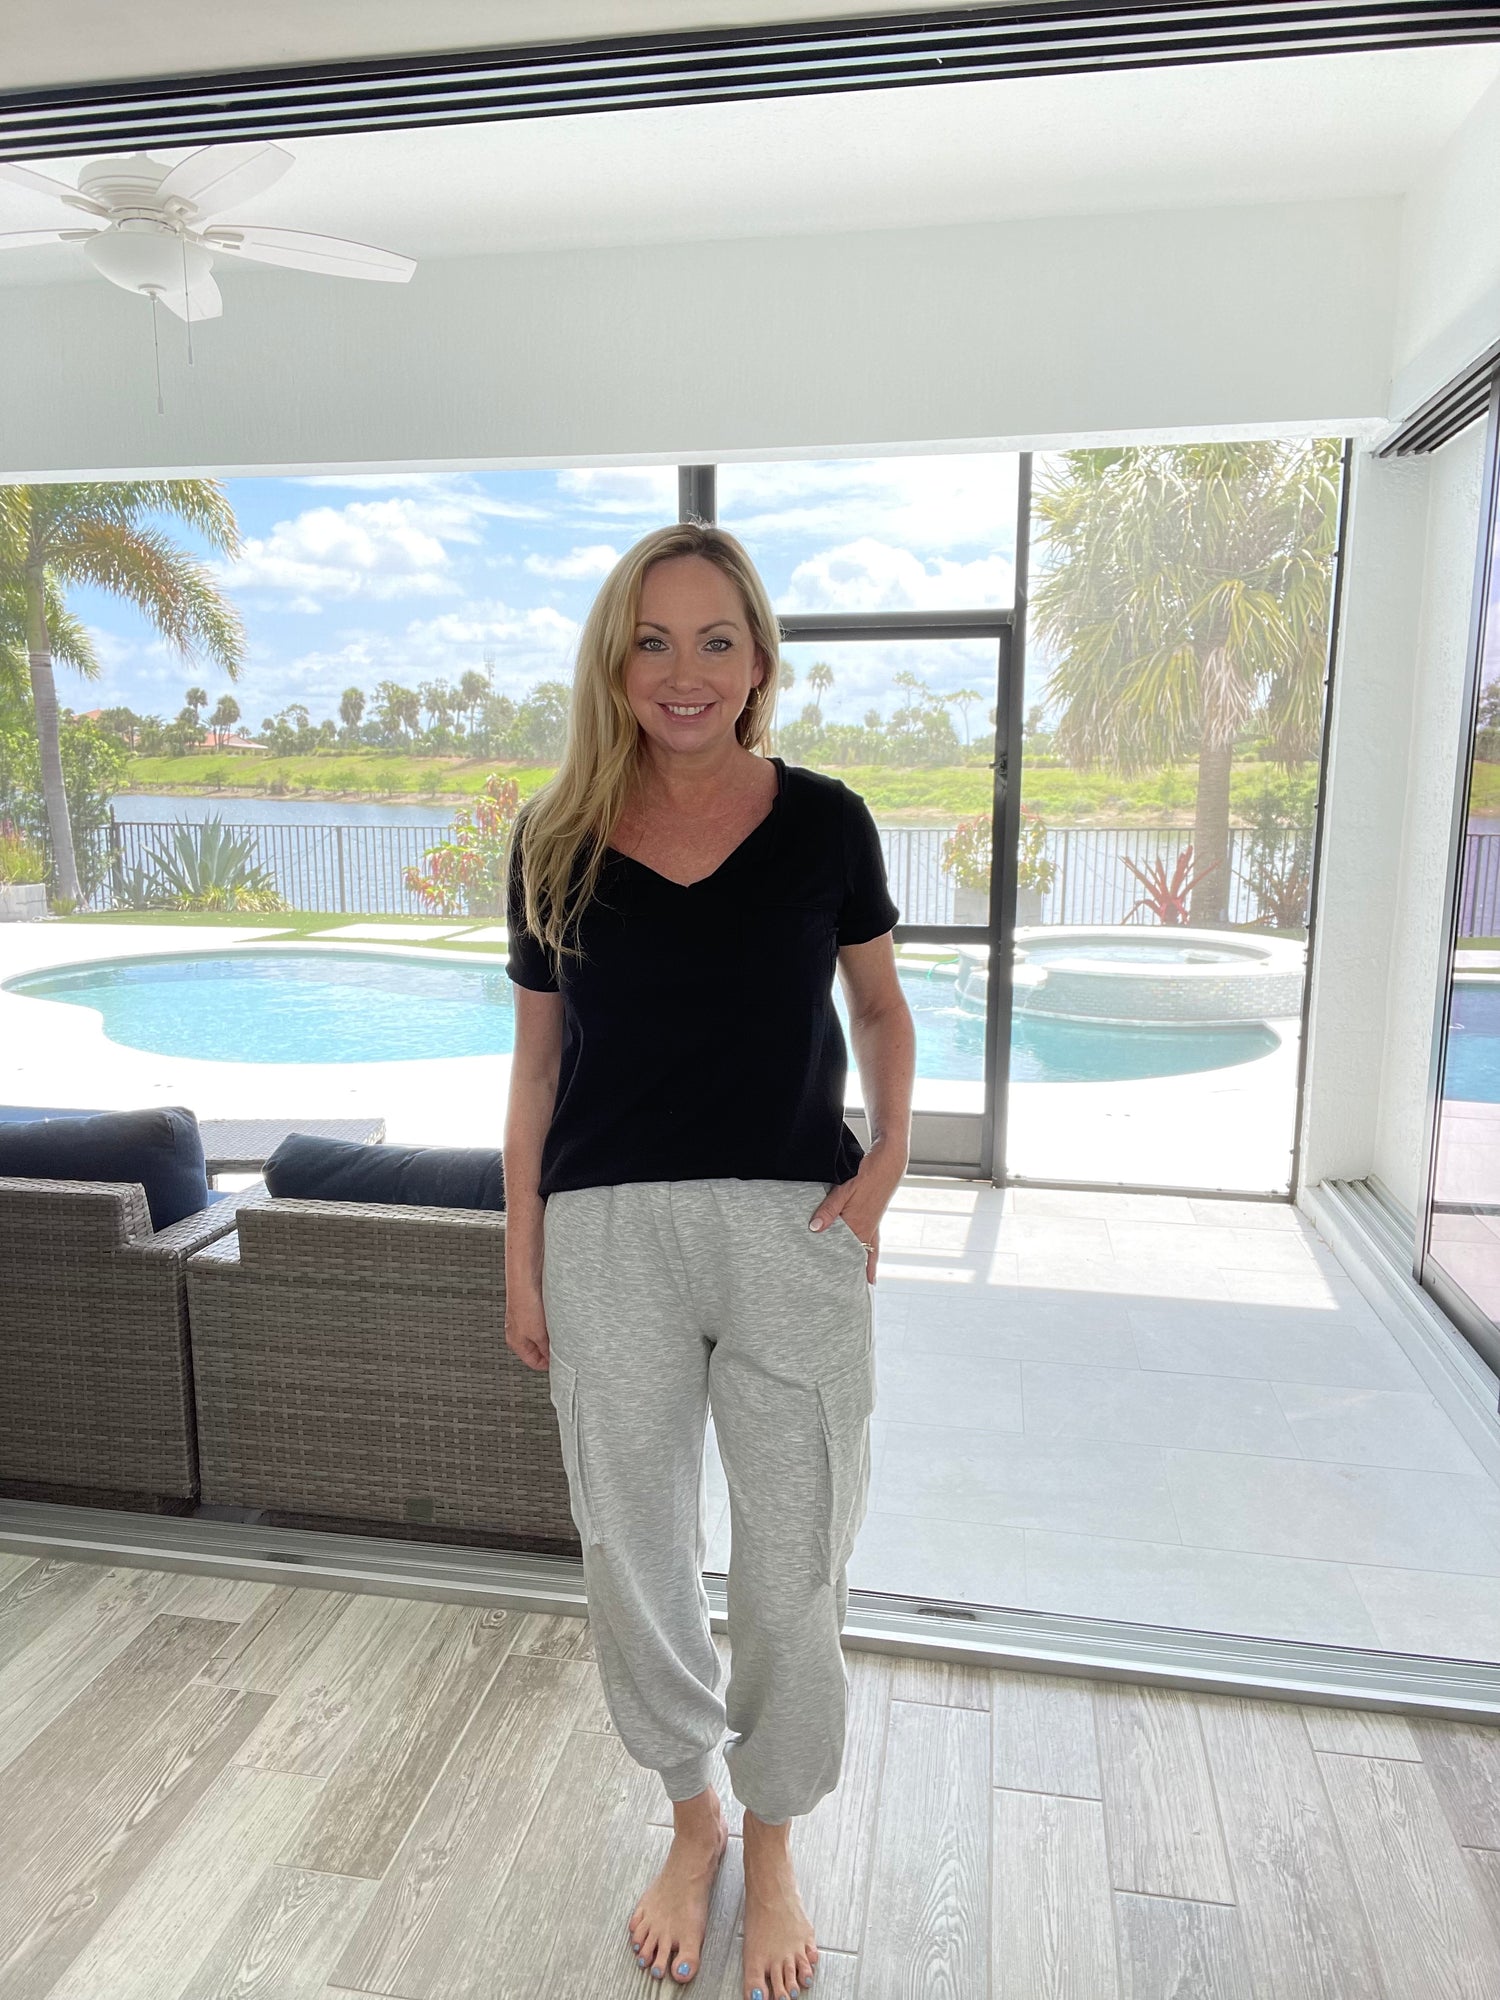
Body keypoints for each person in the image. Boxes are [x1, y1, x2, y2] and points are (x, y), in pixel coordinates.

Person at [503, 521, 915, 2000]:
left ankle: (775, 1834)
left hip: (790, 1228)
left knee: (797, 1558)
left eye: (716, 641)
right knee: (634, 1550)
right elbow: (536, 1068)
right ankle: (692, 1821)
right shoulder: (553, 836)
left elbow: (879, 1009)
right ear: (615, 663)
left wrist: (886, 1168)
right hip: (606, 1232)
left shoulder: (826, 822)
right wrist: (522, 1258)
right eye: (654, 642)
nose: (685, 672)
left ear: (758, 663)